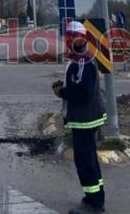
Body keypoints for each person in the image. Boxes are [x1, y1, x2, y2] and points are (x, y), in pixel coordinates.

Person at [52, 20, 107, 214]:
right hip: (84, 117)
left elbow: (84, 92)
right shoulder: (77, 57)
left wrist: (63, 92)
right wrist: (64, 86)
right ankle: (94, 196)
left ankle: (94, 205)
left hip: (86, 118)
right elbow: (77, 82)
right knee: (88, 157)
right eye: (68, 36)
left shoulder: (84, 60)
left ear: (82, 38)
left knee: (84, 160)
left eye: (73, 37)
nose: (69, 40)